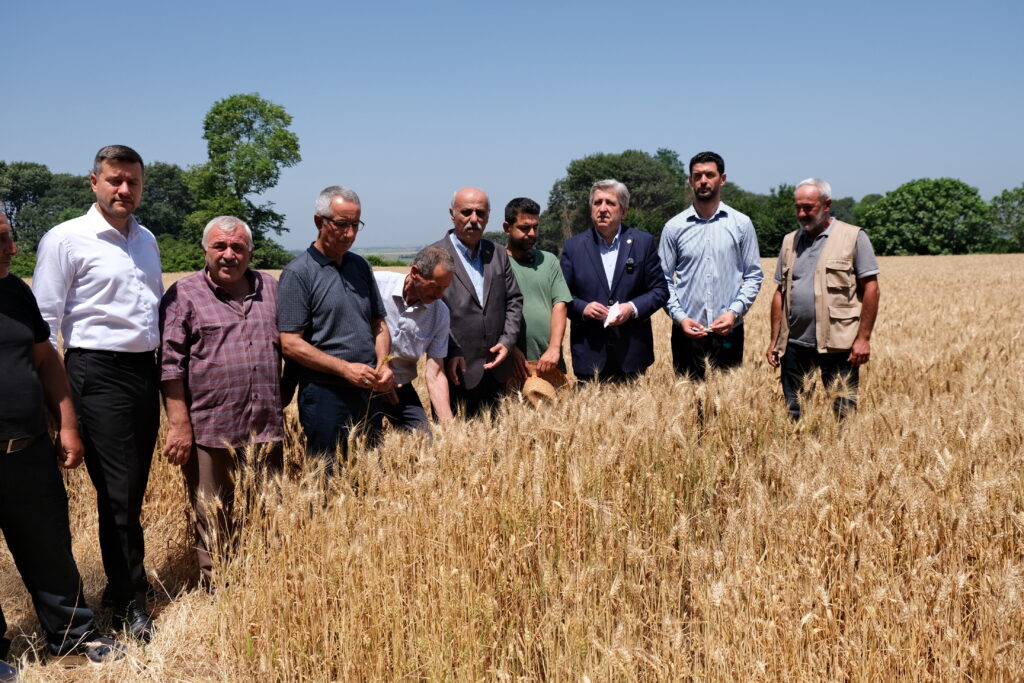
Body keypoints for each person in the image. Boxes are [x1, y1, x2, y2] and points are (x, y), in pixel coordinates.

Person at [32, 145, 162, 640]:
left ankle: (118, 585)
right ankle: (131, 601)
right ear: (93, 182)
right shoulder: (66, 239)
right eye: (114, 180)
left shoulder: (146, 240)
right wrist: (55, 402)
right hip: (95, 371)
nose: (124, 189)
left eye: (132, 181)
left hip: (143, 373)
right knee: (117, 495)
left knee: (131, 493)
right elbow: (44, 324)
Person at [0, 214, 124, 674]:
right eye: (2, 241)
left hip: (28, 449)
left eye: (11, 237)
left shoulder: (16, 293)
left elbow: (45, 359)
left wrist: (67, 424)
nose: (12, 250)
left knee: (50, 548)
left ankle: (72, 636)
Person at [159, 216, 285, 585]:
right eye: (220, 247)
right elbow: (169, 367)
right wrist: (180, 426)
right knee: (213, 513)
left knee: (270, 508)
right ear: (205, 250)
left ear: (250, 252)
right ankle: (221, 587)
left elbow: (292, 345)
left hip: (265, 425)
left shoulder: (272, 289)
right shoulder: (183, 294)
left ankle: (266, 578)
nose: (229, 255)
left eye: (238, 248)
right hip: (210, 428)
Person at [278, 186, 393, 466]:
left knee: (369, 476)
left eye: (356, 225)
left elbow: (379, 323)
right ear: (319, 222)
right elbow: (290, 343)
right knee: (327, 480)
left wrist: (384, 364)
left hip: (368, 391)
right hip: (325, 395)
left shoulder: (360, 267)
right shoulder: (298, 273)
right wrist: (345, 369)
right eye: (342, 224)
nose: (350, 234)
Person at [766, 178, 880, 419]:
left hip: (839, 343)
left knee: (843, 413)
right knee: (794, 412)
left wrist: (864, 339)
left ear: (827, 205)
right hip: (795, 344)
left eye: (809, 207)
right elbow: (780, 293)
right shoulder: (790, 241)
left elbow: (871, 289)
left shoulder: (854, 237)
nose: (802, 213)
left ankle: (842, 456)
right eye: (798, 207)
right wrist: (775, 340)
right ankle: (798, 454)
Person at [658, 151, 763, 380]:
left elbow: (754, 275)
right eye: (697, 176)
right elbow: (663, 279)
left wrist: (734, 313)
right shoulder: (673, 228)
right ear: (690, 181)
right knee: (689, 407)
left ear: (722, 179)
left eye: (709, 175)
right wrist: (680, 318)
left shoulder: (741, 224)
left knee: (728, 407)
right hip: (686, 332)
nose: (703, 181)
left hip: (729, 332)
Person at [560, 179, 668, 382]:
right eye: (597, 202)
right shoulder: (573, 247)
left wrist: (632, 308)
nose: (602, 209)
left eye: (610, 203)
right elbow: (562, 295)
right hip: (589, 355)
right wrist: (583, 308)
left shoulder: (642, 243)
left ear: (624, 211)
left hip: (632, 355)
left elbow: (660, 290)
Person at [430, 187, 522, 418]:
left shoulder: (499, 253)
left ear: (488, 216)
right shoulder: (433, 256)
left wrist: (507, 341)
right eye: (466, 212)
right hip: (456, 371)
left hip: (497, 370)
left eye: (480, 213)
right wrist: (450, 351)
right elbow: (427, 312)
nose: (474, 220)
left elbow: (514, 299)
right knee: (454, 449)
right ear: (452, 214)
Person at [368, 246, 455, 442]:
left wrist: (450, 430)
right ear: (415, 273)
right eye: (435, 286)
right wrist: (381, 372)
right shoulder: (377, 285)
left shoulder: (440, 313)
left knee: (426, 441)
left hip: (401, 388)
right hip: (365, 383)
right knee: (367, 446)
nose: (440, 294)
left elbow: (436, 373)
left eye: (445, 287)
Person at [502, 197, 572, 383]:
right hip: (512, 364)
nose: (531, 233)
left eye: (535, 227)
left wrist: (554, 348)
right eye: (524, 228)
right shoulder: (496, 263)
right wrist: (511, 348)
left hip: (549, 362)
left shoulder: (548, 261)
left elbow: (560, 304)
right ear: (507, 227)